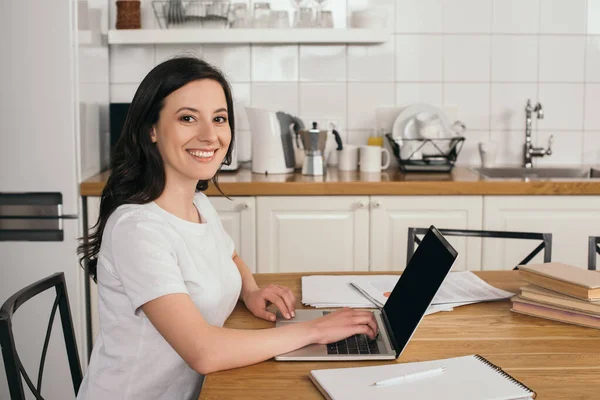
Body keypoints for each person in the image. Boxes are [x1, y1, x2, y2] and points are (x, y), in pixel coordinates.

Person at [76, 57, 377, 400]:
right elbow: (204, 352)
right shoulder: (138, 230)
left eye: (219, 119)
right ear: (152, 130)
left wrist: (250, 292)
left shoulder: (197, 203)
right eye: (188, 118)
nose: (209, 135)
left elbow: (228, 255)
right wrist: (314, 330)